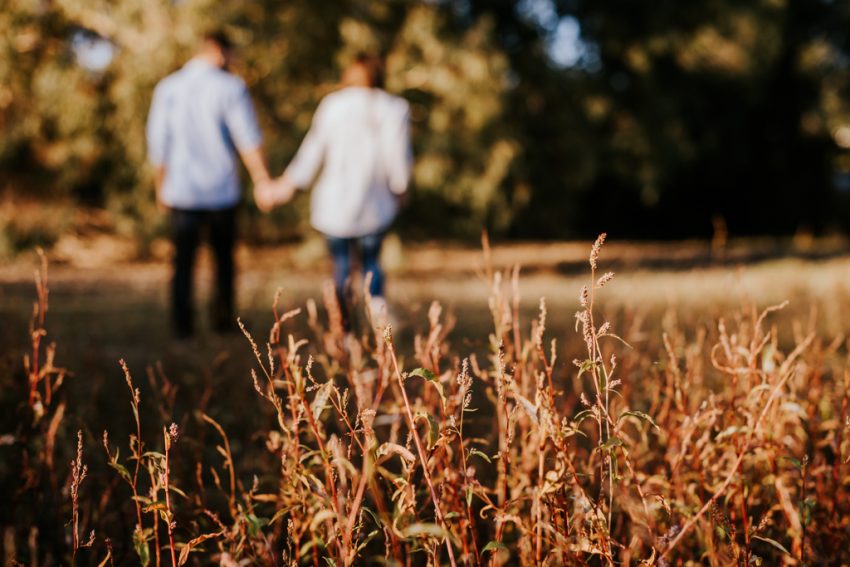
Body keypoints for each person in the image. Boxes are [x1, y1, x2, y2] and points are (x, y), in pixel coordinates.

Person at [257, 53, 413, 326]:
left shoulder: (333, 105)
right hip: (374, 202)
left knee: (341, 267)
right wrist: (400, 189)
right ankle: (379, 322)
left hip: (335, 205)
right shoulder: (393, 107)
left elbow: (312, 152)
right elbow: (397, 156)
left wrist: (286, 186)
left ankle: (346, 329)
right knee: (371, 264)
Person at [146, 30, 273, 339]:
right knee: (224, 262)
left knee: (183, 263)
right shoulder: (231, 87)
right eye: (231, 55)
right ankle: (222, 320)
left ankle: (182, 327)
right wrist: (261, 179)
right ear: (219, 51)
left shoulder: (169, 87)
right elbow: (248, 138)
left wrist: (160, 187)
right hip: (221, 192)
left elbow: (158, 143)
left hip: (182, 191)